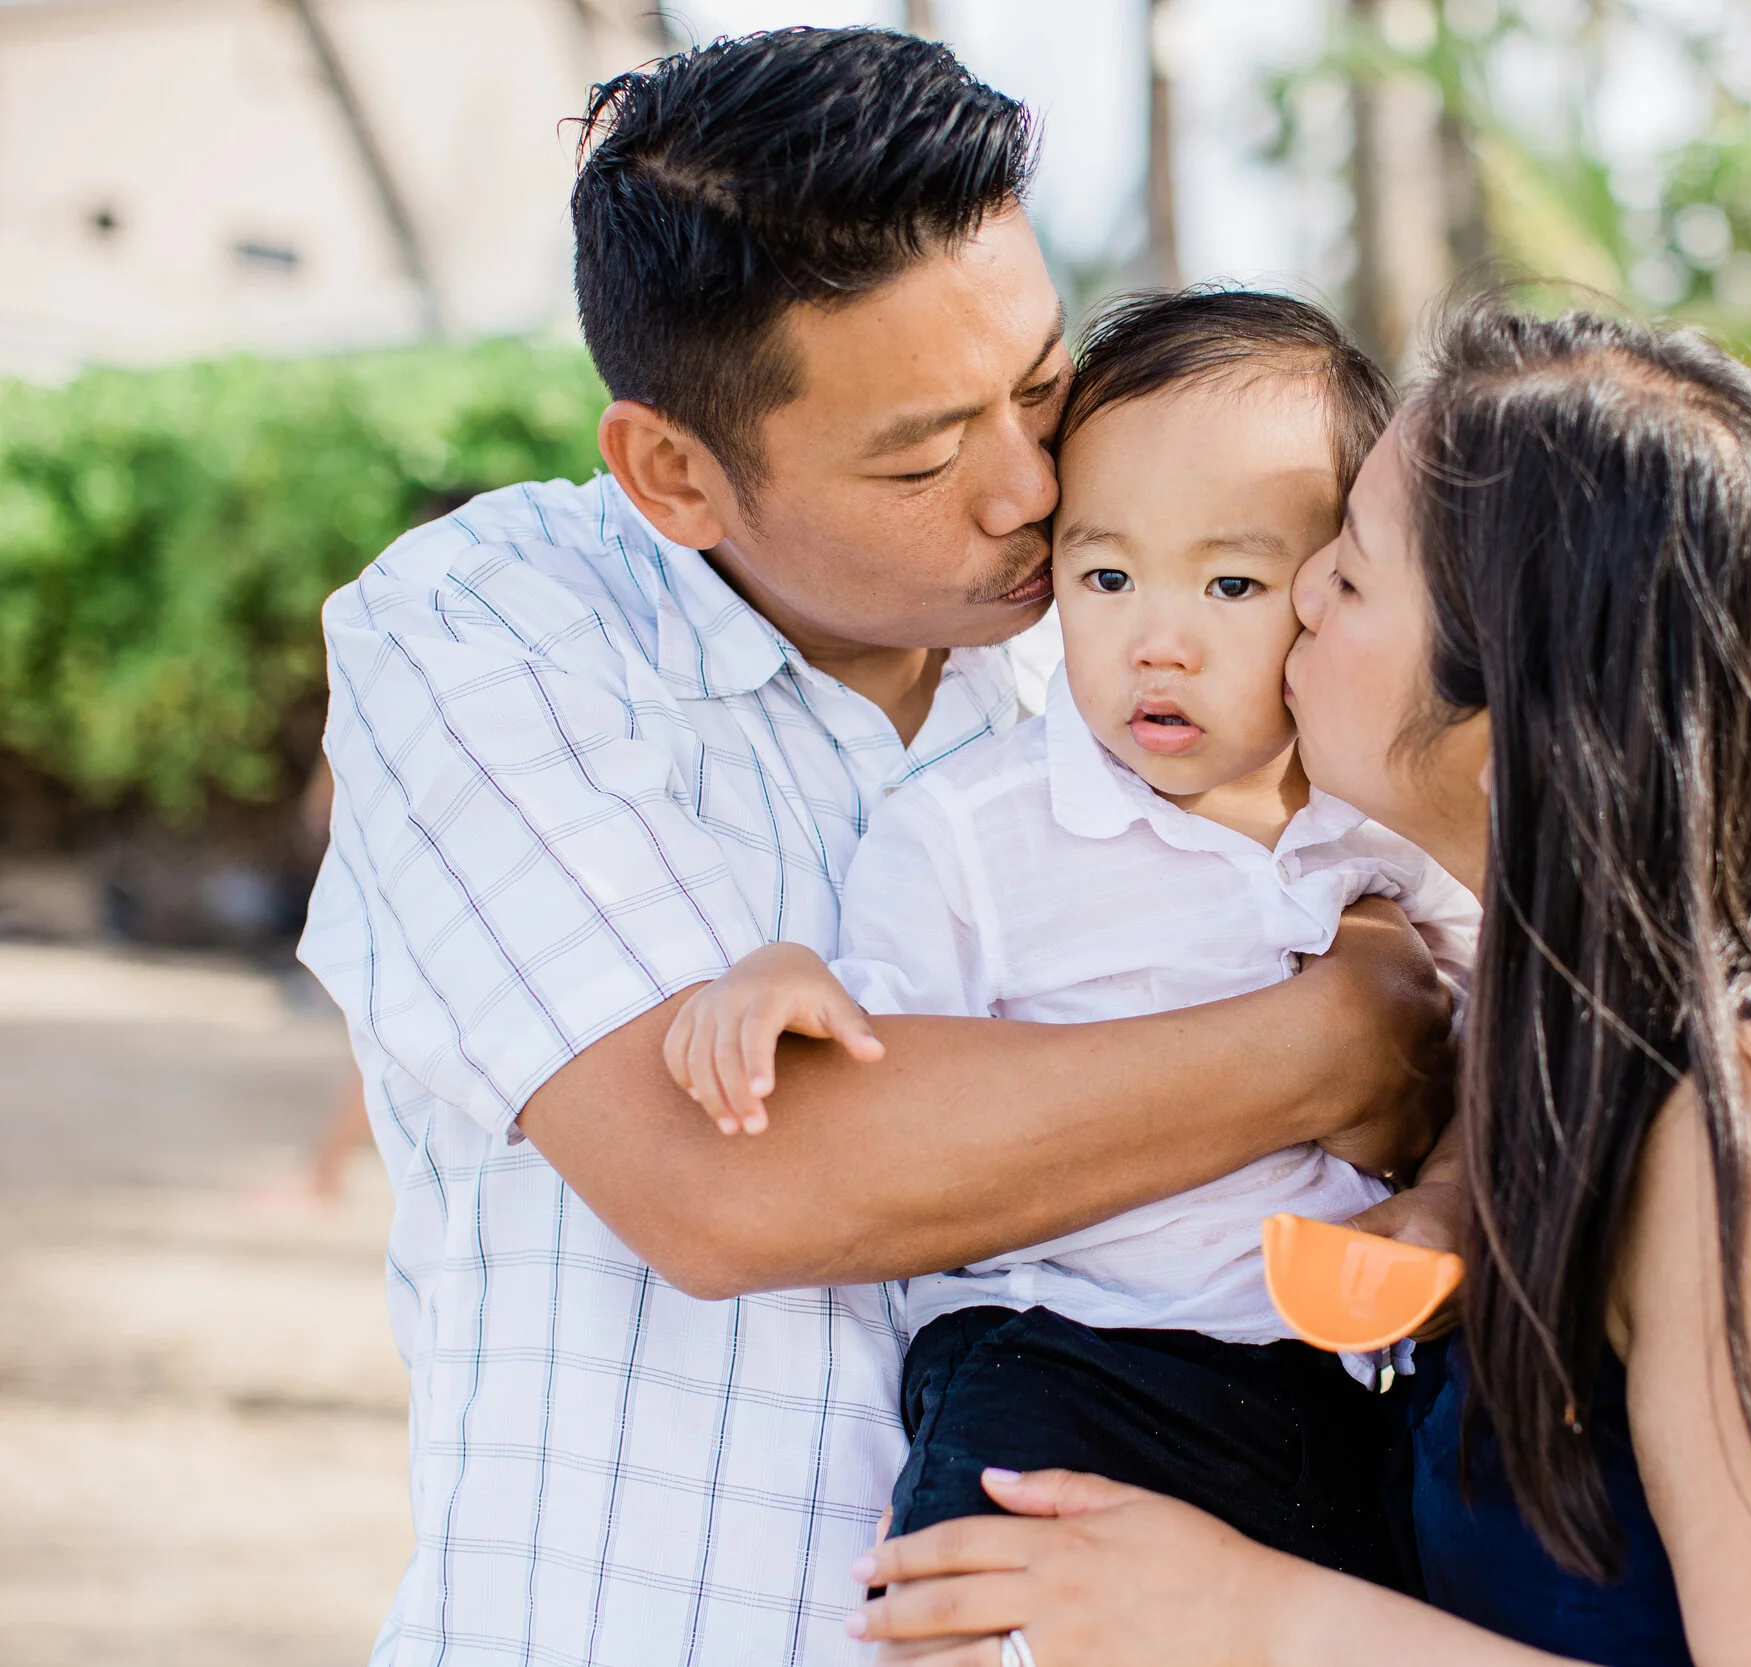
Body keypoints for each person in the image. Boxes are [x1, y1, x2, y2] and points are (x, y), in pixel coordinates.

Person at [296, 31, 1448, 1667]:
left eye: (1043, 385)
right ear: (676, 472)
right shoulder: (493, 626)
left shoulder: (1126, 659)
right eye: (924, 454)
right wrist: (1338, 1032)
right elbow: (728, 1177)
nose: (1035, 488)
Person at [848, 305, 1751, 1666]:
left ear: (1507, 739)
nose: (1295, 595)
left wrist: (1249, 1615)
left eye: (1345, 578)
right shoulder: (1606, 982)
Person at [666, 288, 1477, 1588]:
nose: (1158, 639)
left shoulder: (1385, 828)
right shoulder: (980, 828)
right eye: (1106, 576)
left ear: (1333, 589)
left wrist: (1440, 1205)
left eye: (1231, 581)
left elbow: (1488, 1051)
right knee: (988, 1606)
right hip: (1060, 1348)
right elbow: (886, 1062)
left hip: (1324, 1376)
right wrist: (784, 979)